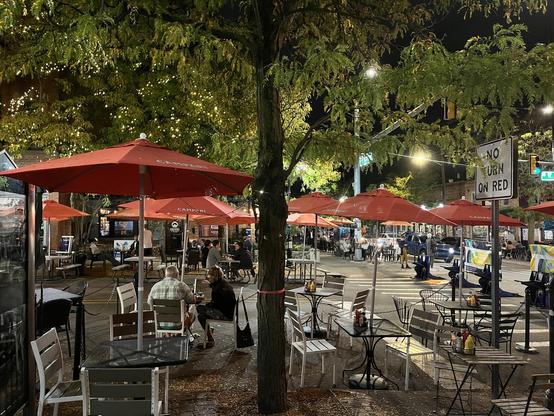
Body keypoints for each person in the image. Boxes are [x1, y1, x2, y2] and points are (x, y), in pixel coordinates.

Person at [196, 266, 236, 348]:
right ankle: (209, 330)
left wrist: (204, 302)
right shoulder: (223, 283)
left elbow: (214, 304)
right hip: (229, 311)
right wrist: (210, 285)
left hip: (225, 314)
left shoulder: (218, 289)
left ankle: (210, 339)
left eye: (209, 276)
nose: (208, 277)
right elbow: (216, 289)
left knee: (201, 316)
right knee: (200, 308)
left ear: (214, 276)